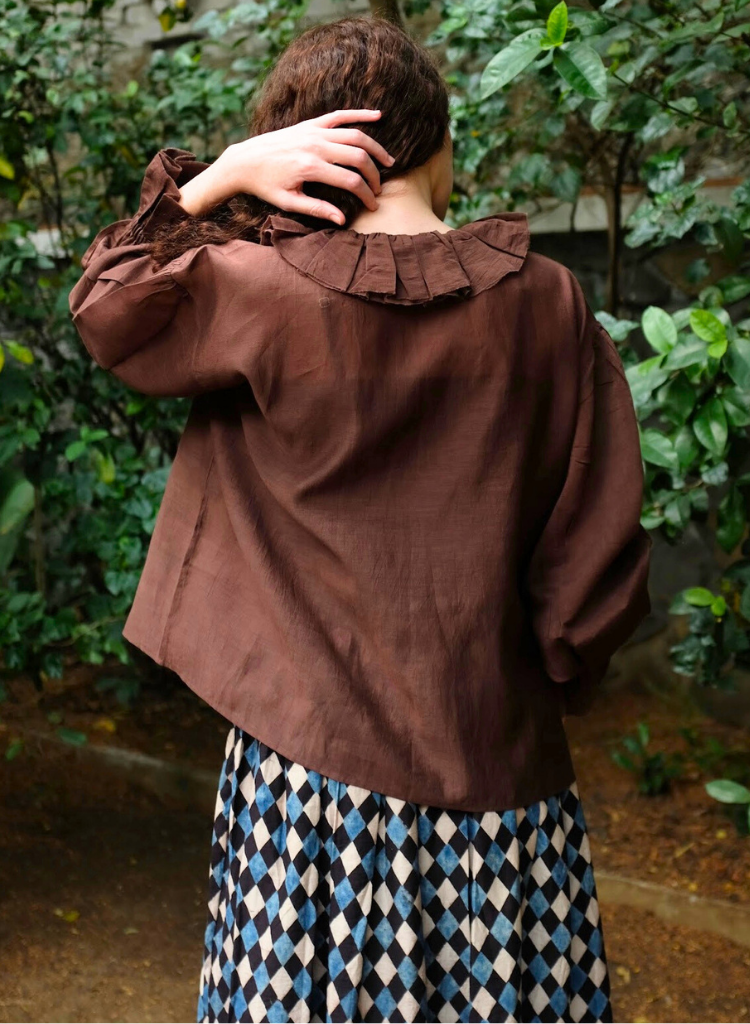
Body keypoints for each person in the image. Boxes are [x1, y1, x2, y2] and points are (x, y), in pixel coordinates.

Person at [69, 16, 652, 1024]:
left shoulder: (257, 290)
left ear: (302, 153)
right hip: (501, 784)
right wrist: (533, 685)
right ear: (439, 143)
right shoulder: (550, 304)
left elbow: (107, 305)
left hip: (303, 795)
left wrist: (222, 176)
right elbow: (591, 555)